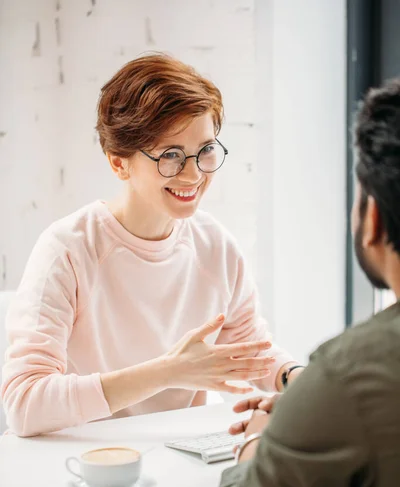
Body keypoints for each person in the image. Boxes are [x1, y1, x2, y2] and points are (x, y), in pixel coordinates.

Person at [1, 53, 302, 437]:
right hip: (80, 462)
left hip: (171, 452)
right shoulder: (67, 250)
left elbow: (251, 352)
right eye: (171, 155)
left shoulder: (216, 247)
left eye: (205, 150)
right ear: (118, 163)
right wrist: (168, 371)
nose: (193, 174)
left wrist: (299, 380)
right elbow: (24, 404)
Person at [210, 78, 400, 487]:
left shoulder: (353, 372)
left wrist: (259, 442)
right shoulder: (71, 246)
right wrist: (306, 407)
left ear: (373, 218)